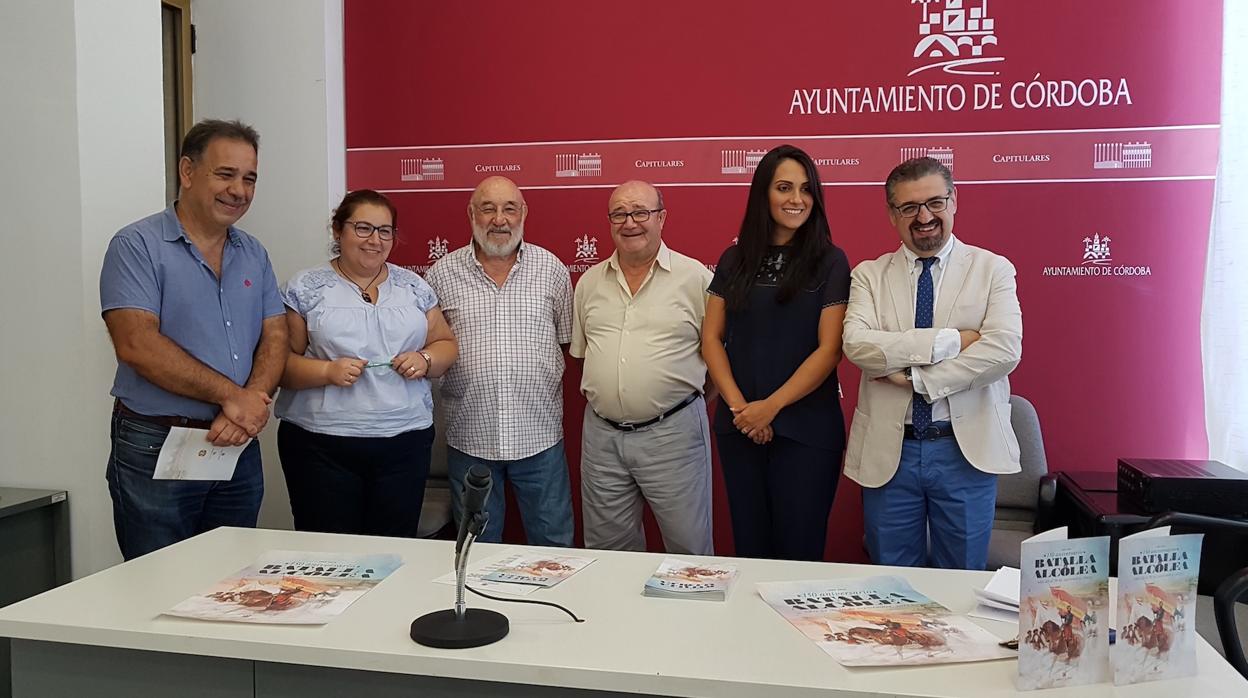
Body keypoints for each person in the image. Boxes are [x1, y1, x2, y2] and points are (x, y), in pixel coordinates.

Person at [100, 119, 287, 560]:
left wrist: (252, 400)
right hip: (157, 443)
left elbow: (275, 333)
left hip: (238, 442)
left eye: (249, 179)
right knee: (156, 584)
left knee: (230, 586)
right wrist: (232, 396)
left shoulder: (253, 251)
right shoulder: (136, 245)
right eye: (225, 174)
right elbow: (136, 345)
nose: (238, 190)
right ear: (187, 172)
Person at [842, 156, 1023, 570]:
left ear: (954, 201)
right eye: (909, 207)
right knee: (892, 585)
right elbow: (858, 347)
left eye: (935, 203)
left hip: (963, 453)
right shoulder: (868, 276)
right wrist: (954, 340)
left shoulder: (993, 269)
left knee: (961, 583)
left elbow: (1003, 350)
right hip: (892, 453)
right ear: (892, 214)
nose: (924, 217)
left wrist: (918, 379)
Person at [274, 189, 457, 538]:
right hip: (321, 448)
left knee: (394, 551)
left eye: (385, 231)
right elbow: (279, 365)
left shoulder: (413, 287)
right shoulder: (306, 288)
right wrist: (327, 371)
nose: (375, 240)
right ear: (337, 231)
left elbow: (446, 344)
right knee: (330, 556)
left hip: (404, 444)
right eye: (363, 228)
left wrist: (425, 358)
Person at [702, 145, 851, 561]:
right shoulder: (734, 259)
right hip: (739, 426)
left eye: (806, 189)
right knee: (750, 552)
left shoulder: (831, 261)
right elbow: (711, 338)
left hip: (806, 430)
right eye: (784, 187)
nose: (796, 199)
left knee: (799, 554)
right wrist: (741, 410)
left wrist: (770, 408)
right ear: (762, 194)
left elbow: (829, 350)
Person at [425, 176, 574, 546]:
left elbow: (566, 341)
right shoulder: (441, 274)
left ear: (524, 213)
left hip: (540, 439)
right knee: (476, 550)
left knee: (554, 548)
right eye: (488, 208)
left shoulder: (552, 269)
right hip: (470, 440)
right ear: (471, 214)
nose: (499, 219)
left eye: (510, 208)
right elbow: (431, 345)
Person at [570, 180, 715, 555]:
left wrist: (677, 403)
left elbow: (719, 359)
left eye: (640, 212)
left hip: (673, 436)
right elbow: (587, 355)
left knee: (689, 552)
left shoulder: (696, 279)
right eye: (619, 213)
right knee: (607, 554)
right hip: (602, 438)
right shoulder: (588, 283)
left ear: (662, 218)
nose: (630, 222)